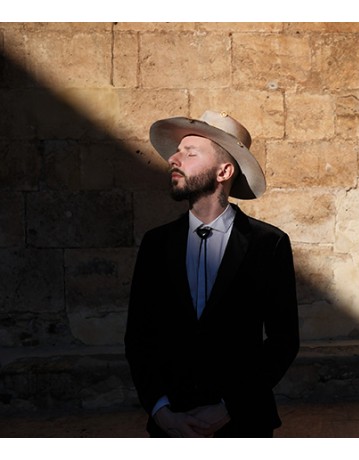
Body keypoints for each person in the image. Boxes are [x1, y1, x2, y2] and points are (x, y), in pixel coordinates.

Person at [125, 110, 300, 437]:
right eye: (177, 151)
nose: (173, 159)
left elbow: (283, 341)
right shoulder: (156, 243)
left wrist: (231, 405)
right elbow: (139, 338)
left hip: (244, 423)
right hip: (172, 424)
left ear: (224, 171)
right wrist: (161, 411)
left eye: (190, 153)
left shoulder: (268, 243)